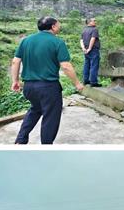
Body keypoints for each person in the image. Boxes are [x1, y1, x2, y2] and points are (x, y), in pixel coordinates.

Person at [11, 16, 84, 144]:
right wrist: (77, 83)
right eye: (58, 24)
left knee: (35, 109)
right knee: (51, 117)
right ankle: (46, 147)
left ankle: (20, 140)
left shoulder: (26, 41)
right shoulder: (57, 42)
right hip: (48, 88)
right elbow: (66, 66)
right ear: (53, 26)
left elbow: (15, 61)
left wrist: (15, 81)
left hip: (29, 87)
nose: (59, 26)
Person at [80, 17, 101, 87]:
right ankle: (93, 82)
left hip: (86, 50)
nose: (95, 22)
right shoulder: (95, 29)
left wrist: (83, 48)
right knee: (94, 66)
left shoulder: (84, 30)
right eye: (94, 21)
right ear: (89, 22)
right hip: (93, 50)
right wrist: (89, 48)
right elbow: (93, 39)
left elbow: (81, 40)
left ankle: (85, 80)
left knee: (87, 65)